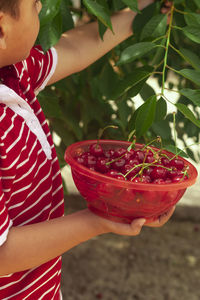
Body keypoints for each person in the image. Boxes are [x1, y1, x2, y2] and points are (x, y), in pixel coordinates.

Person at [0, 0, 175, 299]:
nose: (41, 7)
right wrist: (97, 219)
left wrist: (144, 11)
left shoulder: (12, 72)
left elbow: (75, 48)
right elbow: (3, 254)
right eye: (33, 4)